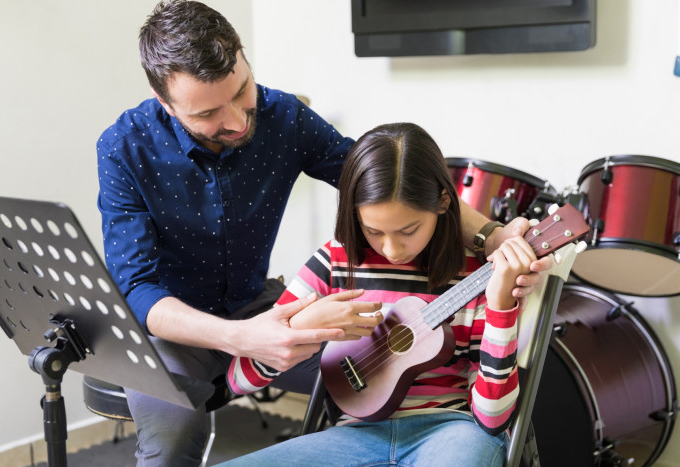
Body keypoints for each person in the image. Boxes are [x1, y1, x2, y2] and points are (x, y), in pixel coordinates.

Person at [96, 1, 550, 465]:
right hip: (175, 330)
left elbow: (380, 177)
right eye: (209, 113)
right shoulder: (122, 148)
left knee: (376, 368)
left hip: (258, 304)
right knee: (170, 442)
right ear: (165, 105)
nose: (235, 120)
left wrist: (491, 234)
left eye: (242, 91)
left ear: (244, 58)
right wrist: (241, 339)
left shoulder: (285, 117)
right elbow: (136, 288)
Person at [221, 122, 534, 467]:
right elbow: (239, 379)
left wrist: (501, 306)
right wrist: (298, 329)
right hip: (353, 435)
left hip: (452, 431)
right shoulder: (335, 262)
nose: (391, 248)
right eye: (373, 231)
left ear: (443, 202)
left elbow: (492, 420)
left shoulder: (479, 274)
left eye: (409, 229)